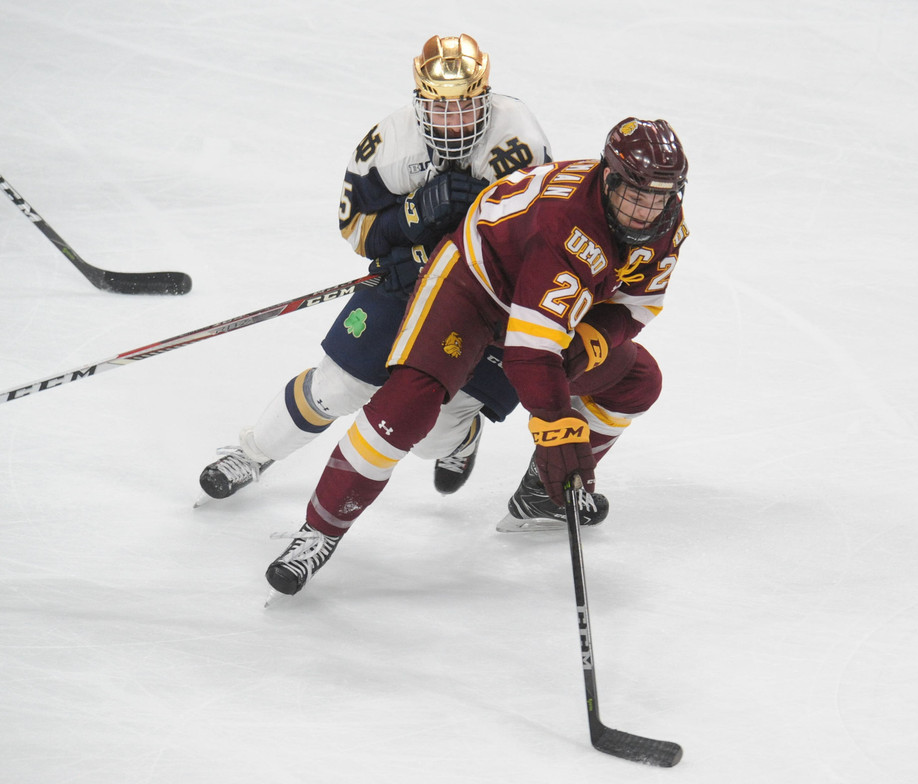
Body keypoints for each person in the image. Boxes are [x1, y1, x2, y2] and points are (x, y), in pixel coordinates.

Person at [264, 117, 689, 597]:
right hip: (470, 285)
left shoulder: (666, 227)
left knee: (636, 381)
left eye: (659, 197)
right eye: (636, 194)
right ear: (609, 176)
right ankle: (319, 532)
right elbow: (528, 356)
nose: (645, 210)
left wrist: (590, 342)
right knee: (406, 405)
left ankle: (539, 499)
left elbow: (636, 305)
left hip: (540, 304)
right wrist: (556, 428)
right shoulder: (565, 222)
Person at [197, 34, 592, 517]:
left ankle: (461, 437)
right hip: (406, 286)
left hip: (486, 299)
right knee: (336, 385)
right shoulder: (388, 145)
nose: (453, 123)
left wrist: (433, 253)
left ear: (485, 98)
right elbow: (358, 230)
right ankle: (254, 452)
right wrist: (409, 216)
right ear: (420, 100)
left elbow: (525, 246)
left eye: (466, 108)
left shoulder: (519, 143)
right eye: (440, 109)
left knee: (434, 431)